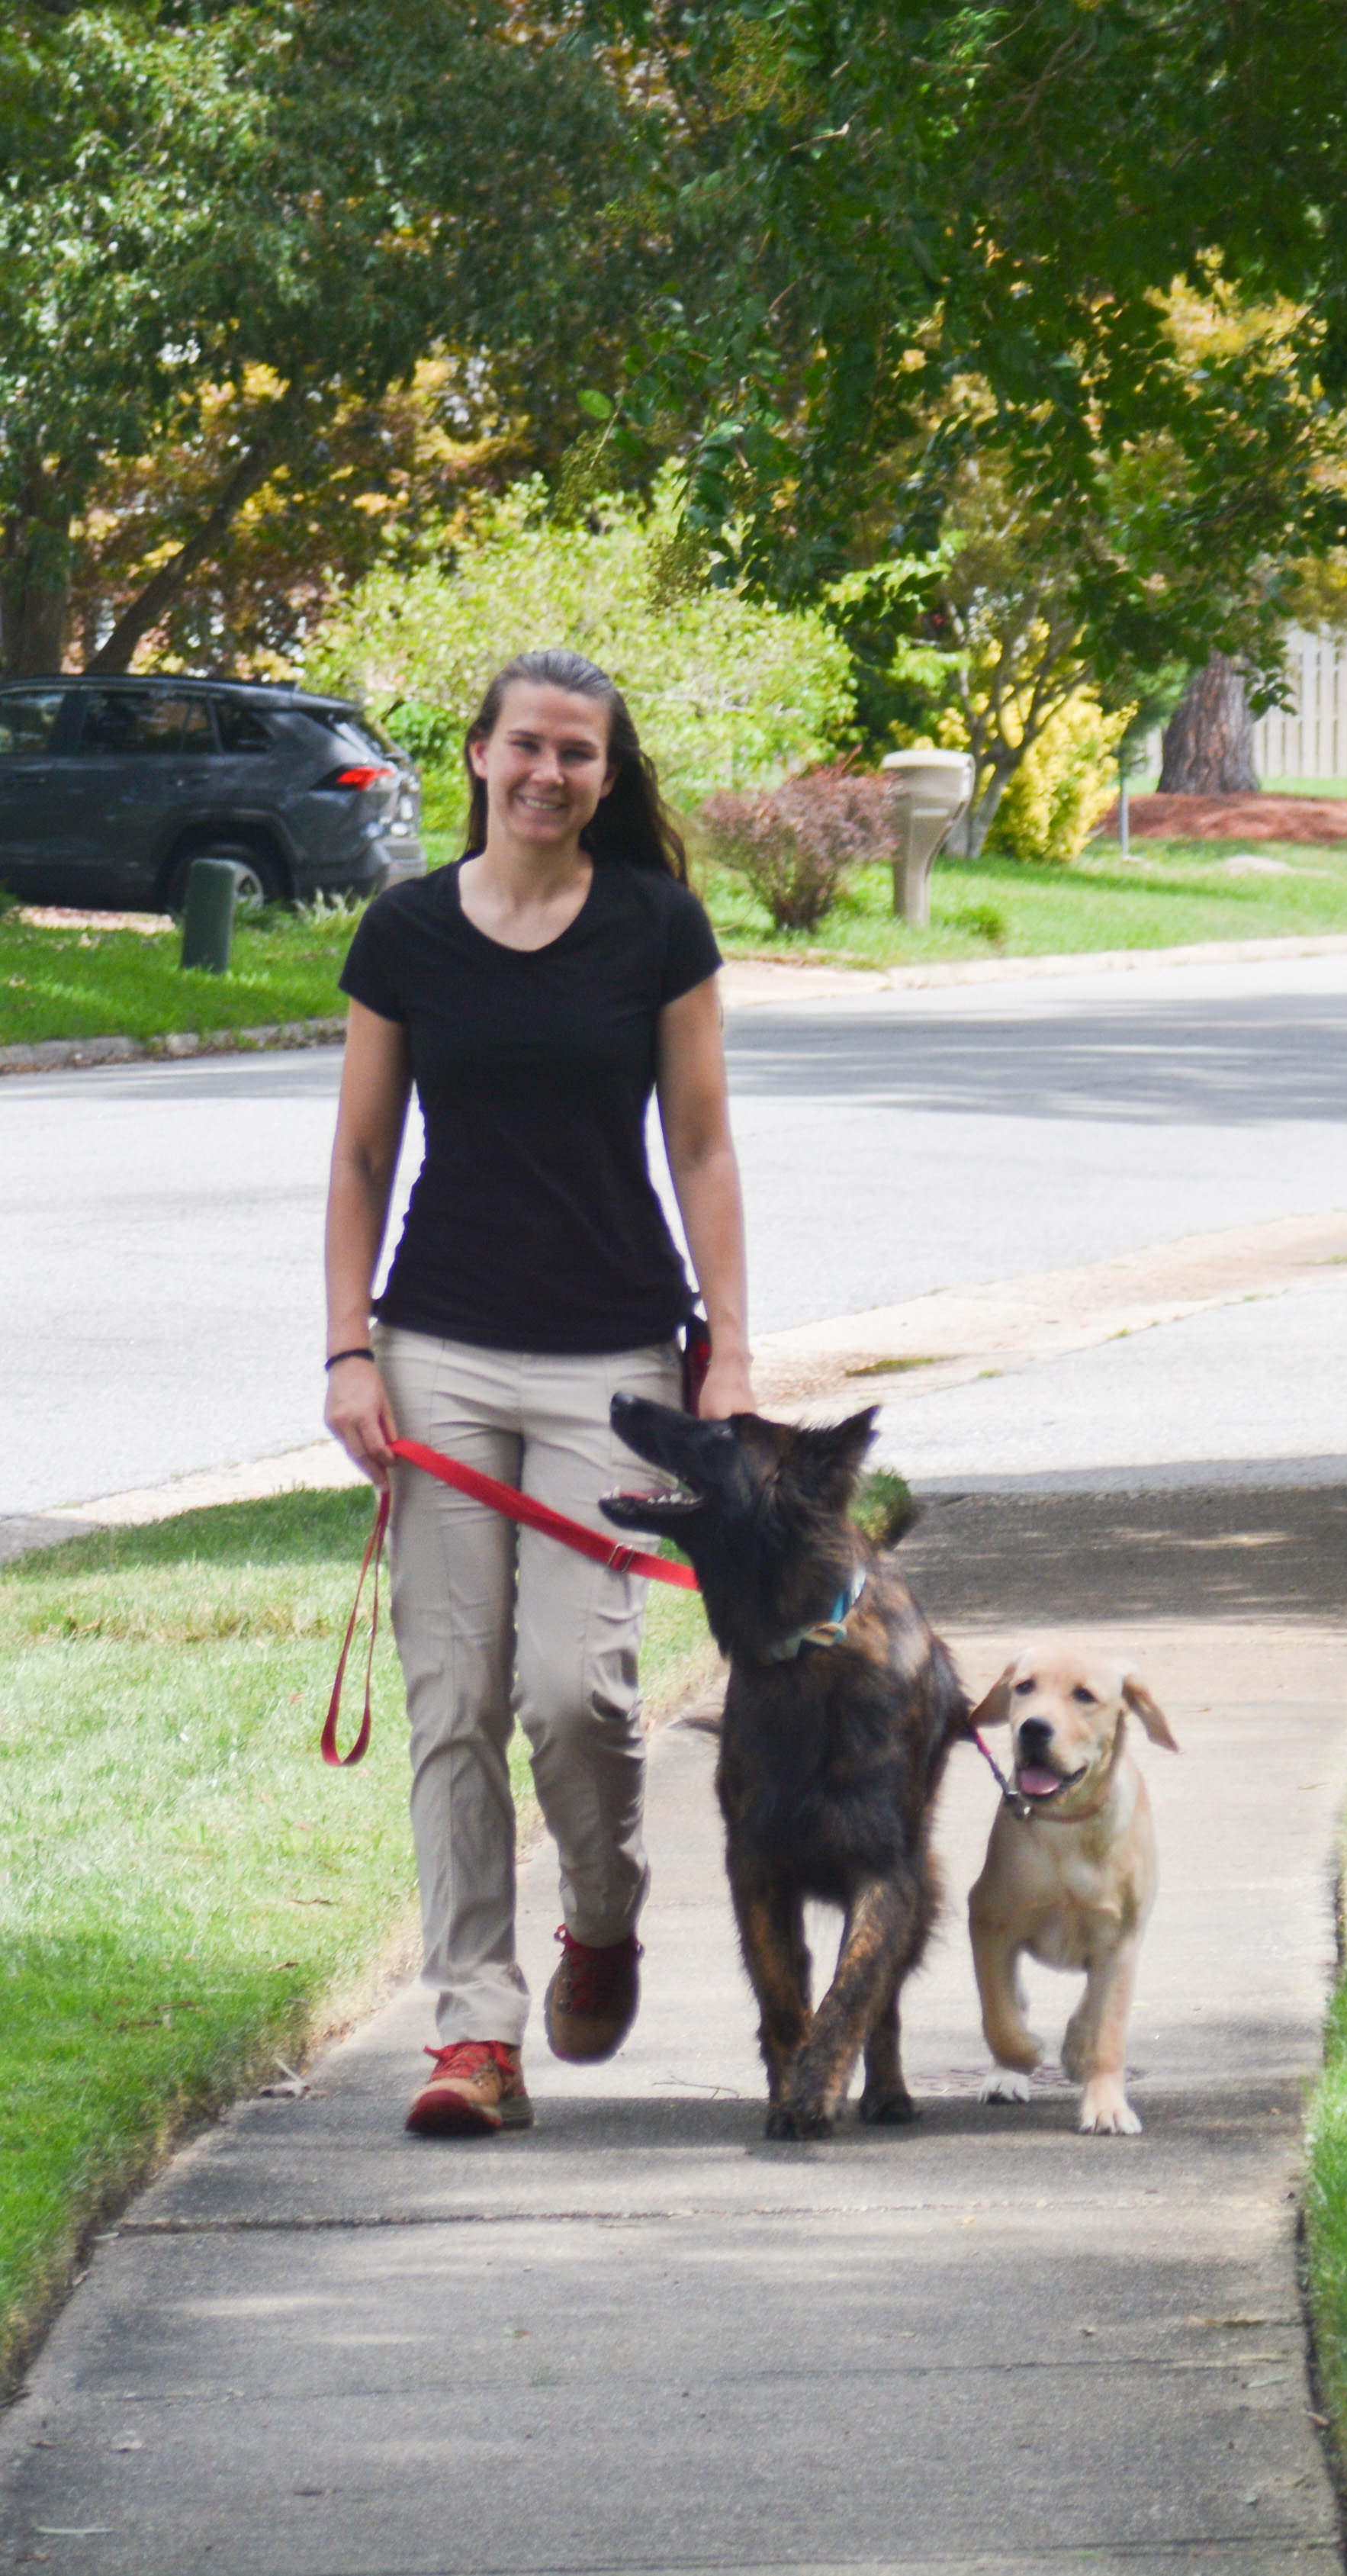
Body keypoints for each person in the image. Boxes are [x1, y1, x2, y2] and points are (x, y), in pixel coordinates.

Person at [322, 648, 754, 2137]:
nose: (550, 773)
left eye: (580, 754)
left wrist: (733, 1354)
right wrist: (348, 1349)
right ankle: (476, 2037)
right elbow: (363, 1159)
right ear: (481, 755)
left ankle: (606, 1917)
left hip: (617, 1357)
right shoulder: (406, 935)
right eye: (528, 747)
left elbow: (701, 1148)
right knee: (455, 1703)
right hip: (438, 1345)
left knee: (578, 1697)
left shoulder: (655, 929)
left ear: (606, 776)